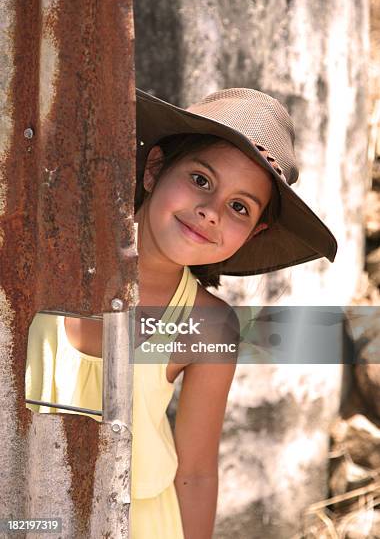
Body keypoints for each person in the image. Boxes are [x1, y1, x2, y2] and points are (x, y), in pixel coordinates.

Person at [25, 87, 337, 538]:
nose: (210, 212)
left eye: (238, 207)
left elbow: (195, 471)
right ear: (154, 169)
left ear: (251, 234)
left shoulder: (209, 324)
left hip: (142, 524)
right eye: (201, 180)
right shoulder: (46, 260)